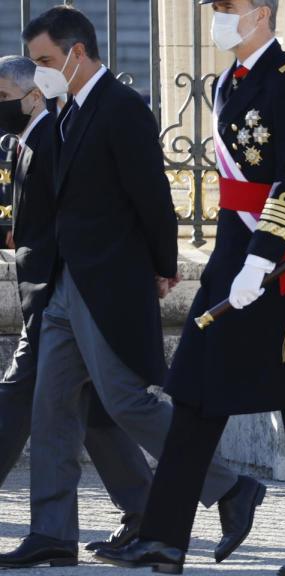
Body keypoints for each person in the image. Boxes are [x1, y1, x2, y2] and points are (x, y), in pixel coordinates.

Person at [0, 5, 263, 569]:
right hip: (64, 283)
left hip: (107, 281)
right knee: (52, 409)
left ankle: (229, 487)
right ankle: (51, 532)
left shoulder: (121, 108)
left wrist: (164, 264)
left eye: (45, 59)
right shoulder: (67, 109)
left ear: (77, 52)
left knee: (125, 401)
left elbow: (152, 195)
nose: (40, 72)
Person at [97, 1, 285, 574]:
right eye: (214, 8)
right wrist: (240, 260)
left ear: (261, 13)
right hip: (233, 255)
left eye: (228, 7)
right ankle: (164, 539)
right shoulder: (229, 83)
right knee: (194, 391)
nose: (218, 17)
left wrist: (261, 260)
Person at [0, 54, 154, 566]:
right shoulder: (30, 138)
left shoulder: (54, 137)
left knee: (22, 397)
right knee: (90, 412)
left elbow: (77, 222)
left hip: (59, 296)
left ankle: (220, 485)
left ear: (33, 97)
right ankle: (144, 509)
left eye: (2, 96)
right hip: (53, 298)